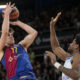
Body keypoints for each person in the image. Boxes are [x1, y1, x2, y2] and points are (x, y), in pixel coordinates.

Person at [0, 2, 38, 80]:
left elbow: (34, 33)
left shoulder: (21, 45)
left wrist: (17, 22)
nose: (11, 36)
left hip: (30, 77)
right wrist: (7, 14)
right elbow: (5, 32)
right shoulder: (1, 50)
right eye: (9, 36)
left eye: (12, 35)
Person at [45, 12, 80, 80]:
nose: (70, 44)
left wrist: (56, 63)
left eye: (72, 42)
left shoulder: (78, 56)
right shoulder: (70, 57)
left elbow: (76, 75)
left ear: (76, 46)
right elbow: (55, 47)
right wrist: (52, 27)